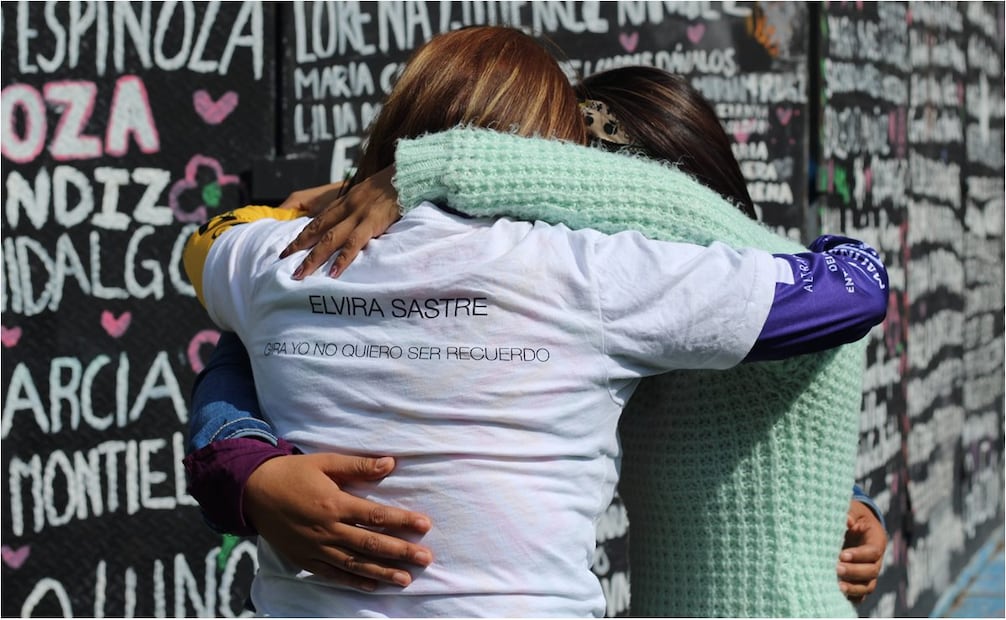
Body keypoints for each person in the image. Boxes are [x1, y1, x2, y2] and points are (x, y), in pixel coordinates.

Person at [184, 63, 889, 615]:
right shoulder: (603, 286)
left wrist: (432, 168)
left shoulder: (624, 276)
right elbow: (265, 337)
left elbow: (850, 292)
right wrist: (247, 470)